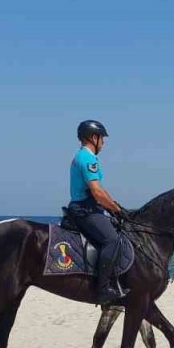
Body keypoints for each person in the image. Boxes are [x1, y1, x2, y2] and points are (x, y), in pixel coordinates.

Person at [63, 119, 129, 304]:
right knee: (112, 240)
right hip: (85, 209)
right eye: (102, 138)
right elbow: (97, 192)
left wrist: (115, 205)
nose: (104, 143)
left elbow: (102, 191)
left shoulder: (85, 157)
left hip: (89, 206)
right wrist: (116, 209)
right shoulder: (87, 158)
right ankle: (102, 289)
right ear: (94, 137)